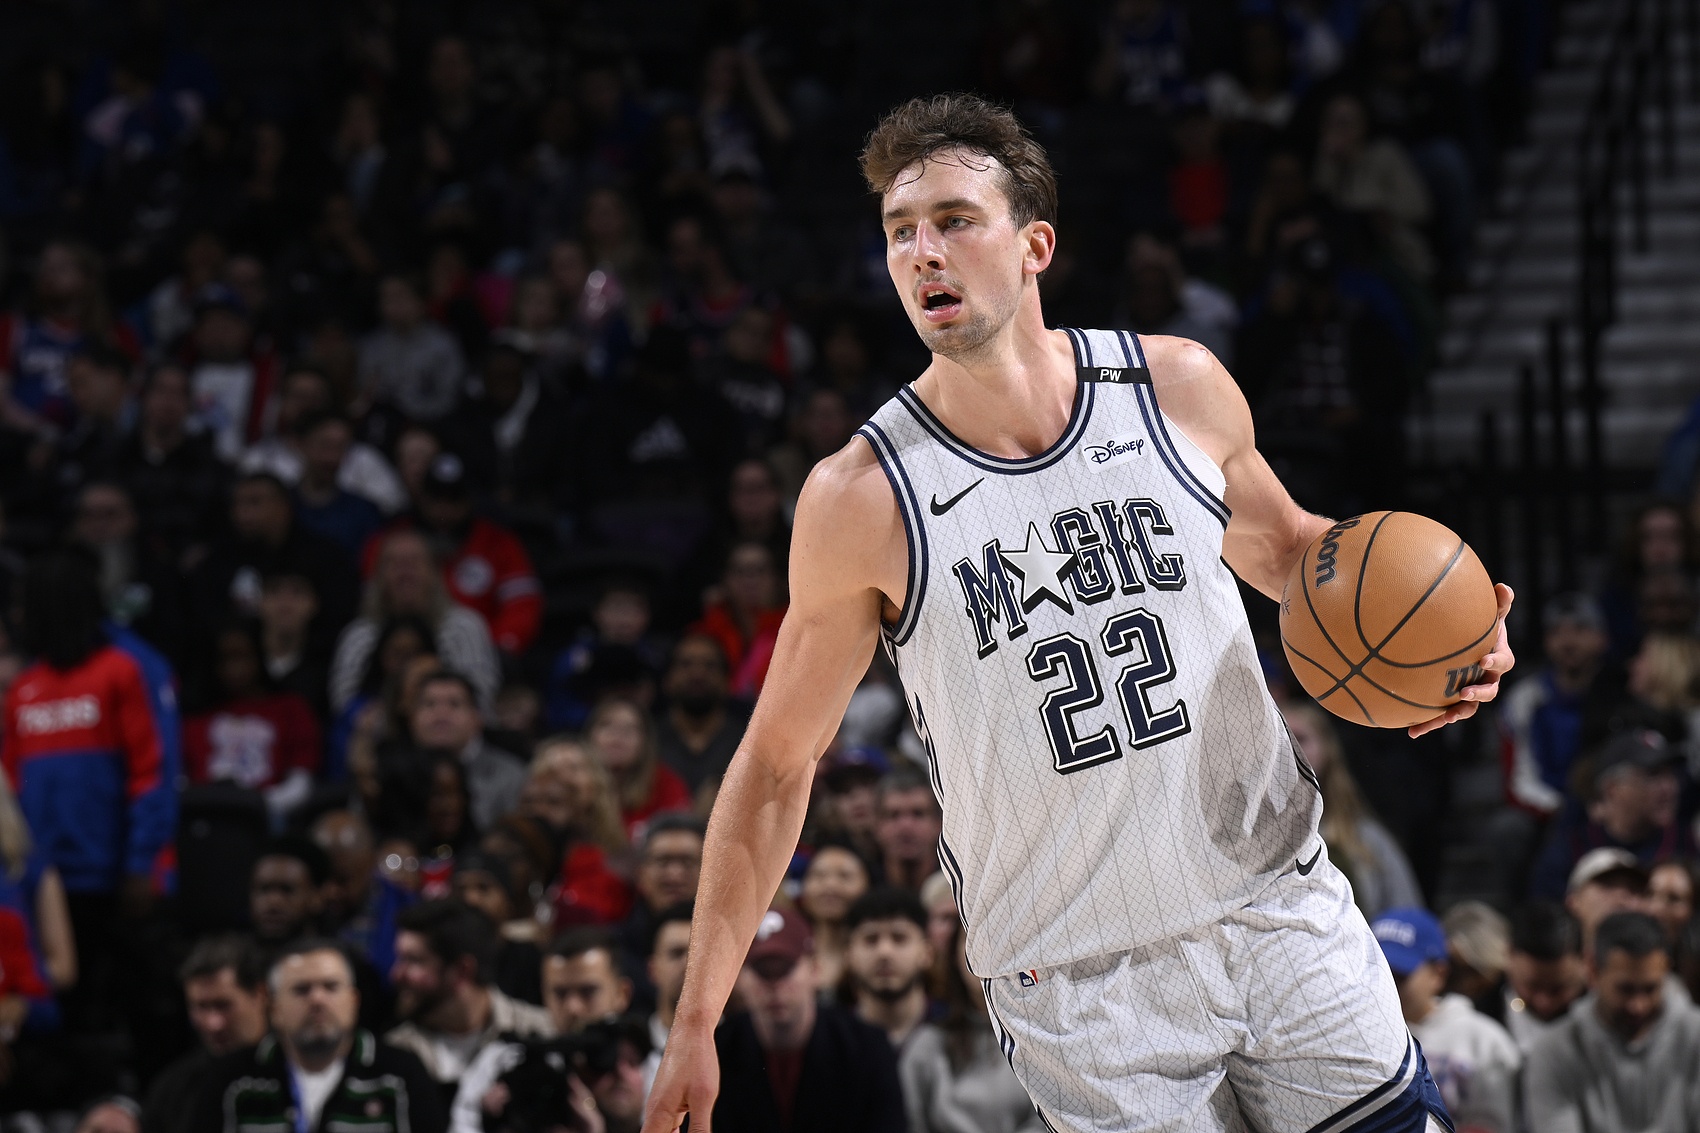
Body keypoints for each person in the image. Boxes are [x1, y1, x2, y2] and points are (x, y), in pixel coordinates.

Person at [643, 94, 1515, 1133]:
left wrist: (1452, 633)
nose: (922, 252)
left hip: (1275, 905)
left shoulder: (1174, 386)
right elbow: (777, 764)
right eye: (899, 231)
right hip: (1079, 978)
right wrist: (696, 1016)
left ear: (1034, 246)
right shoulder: (860, 497)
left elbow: (1292, 552)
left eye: (954, 220)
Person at [2, 551, 177, 1037]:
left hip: (113, 878)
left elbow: (152, 773)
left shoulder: (124, 669)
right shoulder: (25, 688)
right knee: (65, 1016)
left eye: (24, 604)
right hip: (47, 883)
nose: (16, 616)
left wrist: (142, 863)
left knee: (129, 1011)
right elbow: (10, 790)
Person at [192, 940, 446, 1133]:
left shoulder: (399, 1075)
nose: (317, 1000)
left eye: (331, 987)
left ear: (354, 1001)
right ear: (274, 1008)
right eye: (302, 990)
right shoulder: (234, 1081)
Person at [708, 905, 906, 1132]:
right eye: (763, 972)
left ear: (815, 969)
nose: (775, 986)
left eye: (785, 969)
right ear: (739, 977)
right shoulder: (715, 1052)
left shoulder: (867, 1048)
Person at [1524, 911, 1700, 1131]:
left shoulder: (1695, 1037)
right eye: (1625, 989)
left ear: (1666, 970)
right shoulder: (1553, 1052)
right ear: (1592, 970)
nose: (1638, 1005)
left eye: (1650, 989)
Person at [361, 453, 542, 657]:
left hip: (479, 650)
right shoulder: (391, 542)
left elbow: (522, 608)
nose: (444, 509)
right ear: (421, 498)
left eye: (454, 499)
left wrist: (492, 647)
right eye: (436, 498)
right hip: (396, 651)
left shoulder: (499, 543)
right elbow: (372, 603)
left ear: (469, 500)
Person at [1371, 907, 1520, 1132]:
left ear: (1438, 973)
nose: (1386, 985)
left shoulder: (1484, 1039)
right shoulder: (1351, 1035)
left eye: (1398, 976)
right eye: (1374, 973)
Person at [903, 909, 1047, 1133]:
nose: (985, 954)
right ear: (954, 957)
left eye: (997, 941)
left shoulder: (1046, 1038)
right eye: (973, 941)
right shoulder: (927, 1045)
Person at [386, 898, 553, 1088]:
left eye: (414, 961)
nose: (396, 974)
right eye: (400, 958)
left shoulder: (540, 1033)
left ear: (463, 970)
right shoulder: (395, 1051)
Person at [329, 529, 500, 712]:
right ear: (378, 576)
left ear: (434, 572)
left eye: (414, 561)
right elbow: (344, 706)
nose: (405, 571)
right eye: (394, 563)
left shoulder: (464, 627)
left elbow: (480, 700)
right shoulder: (360, 635)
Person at [1282, 700, 1424, 918]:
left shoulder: (1367, 838)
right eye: (1283, 740)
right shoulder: (1251, 838)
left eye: (1300, 738)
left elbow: (1409, 917)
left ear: (1328, 748)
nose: (1291, 749)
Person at [183, 621, 320, 824]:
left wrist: (256, 804)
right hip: (206, 818)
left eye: (242, 657)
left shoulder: (290, 709)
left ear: (259, 656)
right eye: (225, 659)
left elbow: (300, 783)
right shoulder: (196, 719)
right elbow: (181, 783)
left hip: (270, 817)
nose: (234, 668)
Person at [1531, 730, 1694, 899]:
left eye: (1671, 775)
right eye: (1653, 775)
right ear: (1612, 789)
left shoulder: (1684, 844)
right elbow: (1545, 907)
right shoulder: (1572, 846)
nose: (1669, 788)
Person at [142, 937, 268, 1133]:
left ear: (260, 995)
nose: (213, 1024)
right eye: (201, 1007)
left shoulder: (299, 1075)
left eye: (223, 1005)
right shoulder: (172, 1090)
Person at [407, 670, 526, 832]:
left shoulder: (510, 776)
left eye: (454, 704)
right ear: (412, 717)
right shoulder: (391, 770)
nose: (441, 714)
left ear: (477, 717)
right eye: (429, 704)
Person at [652, 635, 750, 808]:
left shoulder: (747, 741)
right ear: (667, 680)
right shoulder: (649, 738)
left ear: (726, 681)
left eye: (710, 666)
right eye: (686, 664)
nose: (697, 674)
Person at [844, 886, 937, 1050]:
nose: (884, 952)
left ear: (927, 953)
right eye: (871, 939)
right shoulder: (831, 1038)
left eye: (899, 938)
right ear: (849, 955)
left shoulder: (956, 1031)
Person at [585, 697, 691, 840]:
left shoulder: (665, 784)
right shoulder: (572, 785)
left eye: (629, 729)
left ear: (645, 741)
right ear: (589, 735)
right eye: (606, 725)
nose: (617, 737)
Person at [1501, 902, 1587, 1052]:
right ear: (1509, 956)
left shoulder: (1613, 1021)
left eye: (1557, 989)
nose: (1544, 1003)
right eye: (1532, 986)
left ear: (1587, 963)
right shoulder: (1481, 1013)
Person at [618, 816, 703, 965]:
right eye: (663, 861)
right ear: (641, 872)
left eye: (687, 862)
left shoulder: (732, 943)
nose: (675, 876)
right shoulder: (617, 950)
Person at [797, 840, 872, 993]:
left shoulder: (874, 952)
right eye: (819, 876)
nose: (830, 885)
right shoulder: (790, 949)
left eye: (844, 876)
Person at [1563, 848, 1653, 956]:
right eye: (1608, 885)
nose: (1621, 897)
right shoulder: (1549, 962)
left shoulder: (1661, 965)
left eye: (1633, 889)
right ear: (1573, 901)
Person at [872, 767, 942, 892]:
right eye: (893, 815)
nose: (906, 826)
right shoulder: (860, 887)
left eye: (918, 814)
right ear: (877, 825)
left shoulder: (961, 890)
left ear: (939, 823)